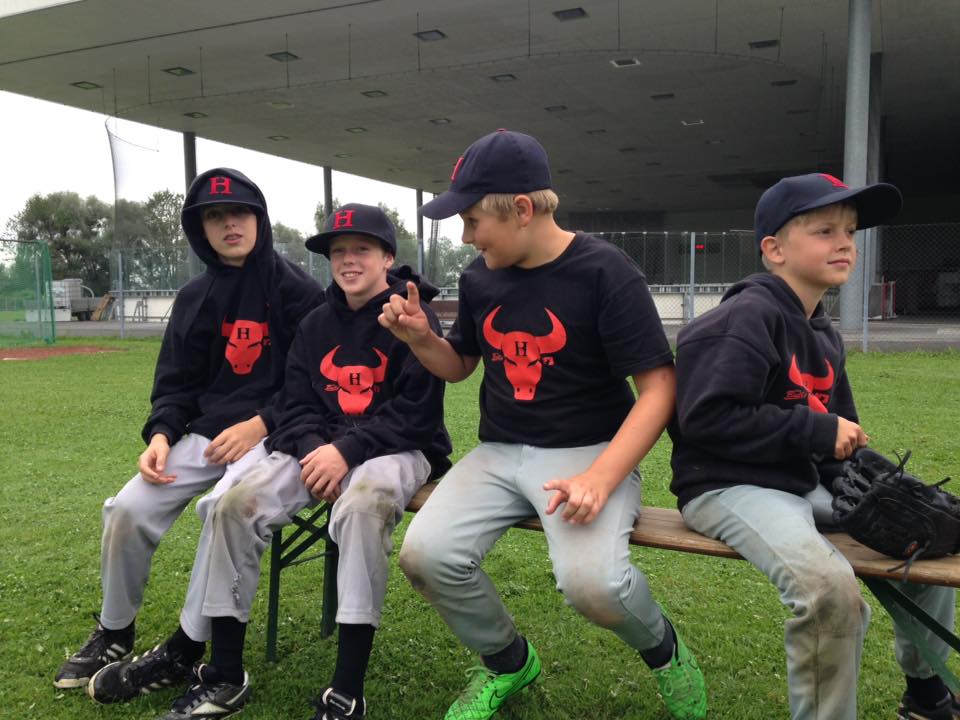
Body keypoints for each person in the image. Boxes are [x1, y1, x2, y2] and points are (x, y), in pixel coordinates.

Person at [379, 129, 708, 720]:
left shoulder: (605, 271)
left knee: (594, 586)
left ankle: (666, 653)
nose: (466, 236)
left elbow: (660, 389)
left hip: (588, 453)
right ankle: (507, 661)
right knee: (425, 556)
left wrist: (601, 478)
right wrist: (421, 338)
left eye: (473, 221)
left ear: (522, 209)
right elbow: (460, 366)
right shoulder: (481, 276)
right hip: (500, 451)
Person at [87, 203, 452, 720]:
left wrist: (346, 452)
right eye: (339, 251)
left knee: (360, 508)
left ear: (388, 257)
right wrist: (316, 448)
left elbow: (416, 415)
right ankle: (224, 674)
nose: (348, 260)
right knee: (232, 504)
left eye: (362, 249)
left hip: (396, 448)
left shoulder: (412, 315)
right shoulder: (318, 321)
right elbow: (296, 400)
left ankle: (346, 691)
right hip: (318, 446)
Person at [669, 172, 958, 720]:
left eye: (849, 231)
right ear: (774, 249)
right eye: (825, 230)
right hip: (726, 486)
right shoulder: (741, 319)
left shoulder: (822, 332)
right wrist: (817, 431)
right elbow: (705, 420)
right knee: (828, 591)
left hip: (801, 484)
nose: (845, 242)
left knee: (923, 536)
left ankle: (926, 694)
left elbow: (839, 432)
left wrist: (869, 475)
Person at [54, 168, 324, 691]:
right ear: (201, 229)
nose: (229, 225)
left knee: (221, 510)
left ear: (259, 218)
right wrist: (160, 434)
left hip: (274, 435)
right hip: (204, 434)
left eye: (239, 212)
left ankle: (186, 645)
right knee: (128, 508)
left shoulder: (297, 290)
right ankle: (115, 629)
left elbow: (313, 381)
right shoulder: (195, 295)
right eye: (215, 216)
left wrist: (261, 423)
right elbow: (175, 382)